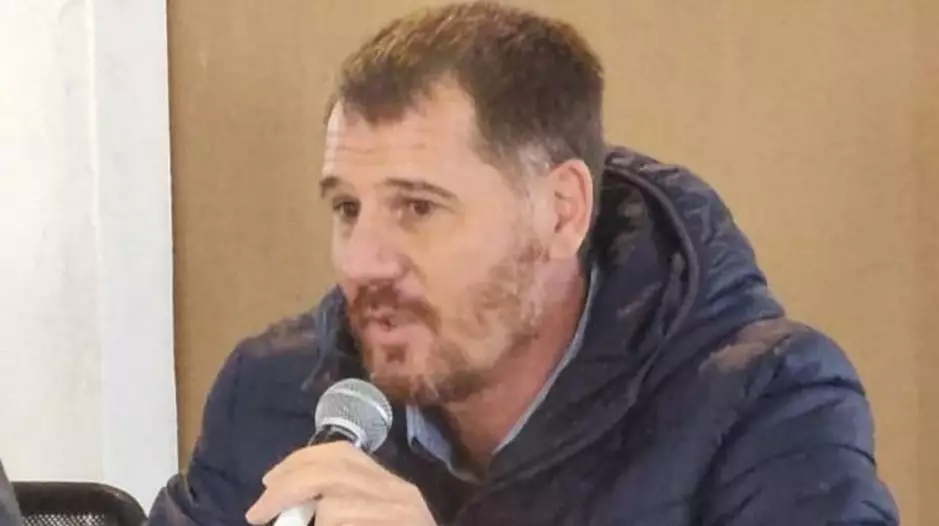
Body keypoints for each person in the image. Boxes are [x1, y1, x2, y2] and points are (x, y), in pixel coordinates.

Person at [148, 2, 899, 525]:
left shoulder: (764, 405)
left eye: (418, 208)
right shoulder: (275, 394)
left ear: (561, 212)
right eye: (347, 208)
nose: (364, 261)